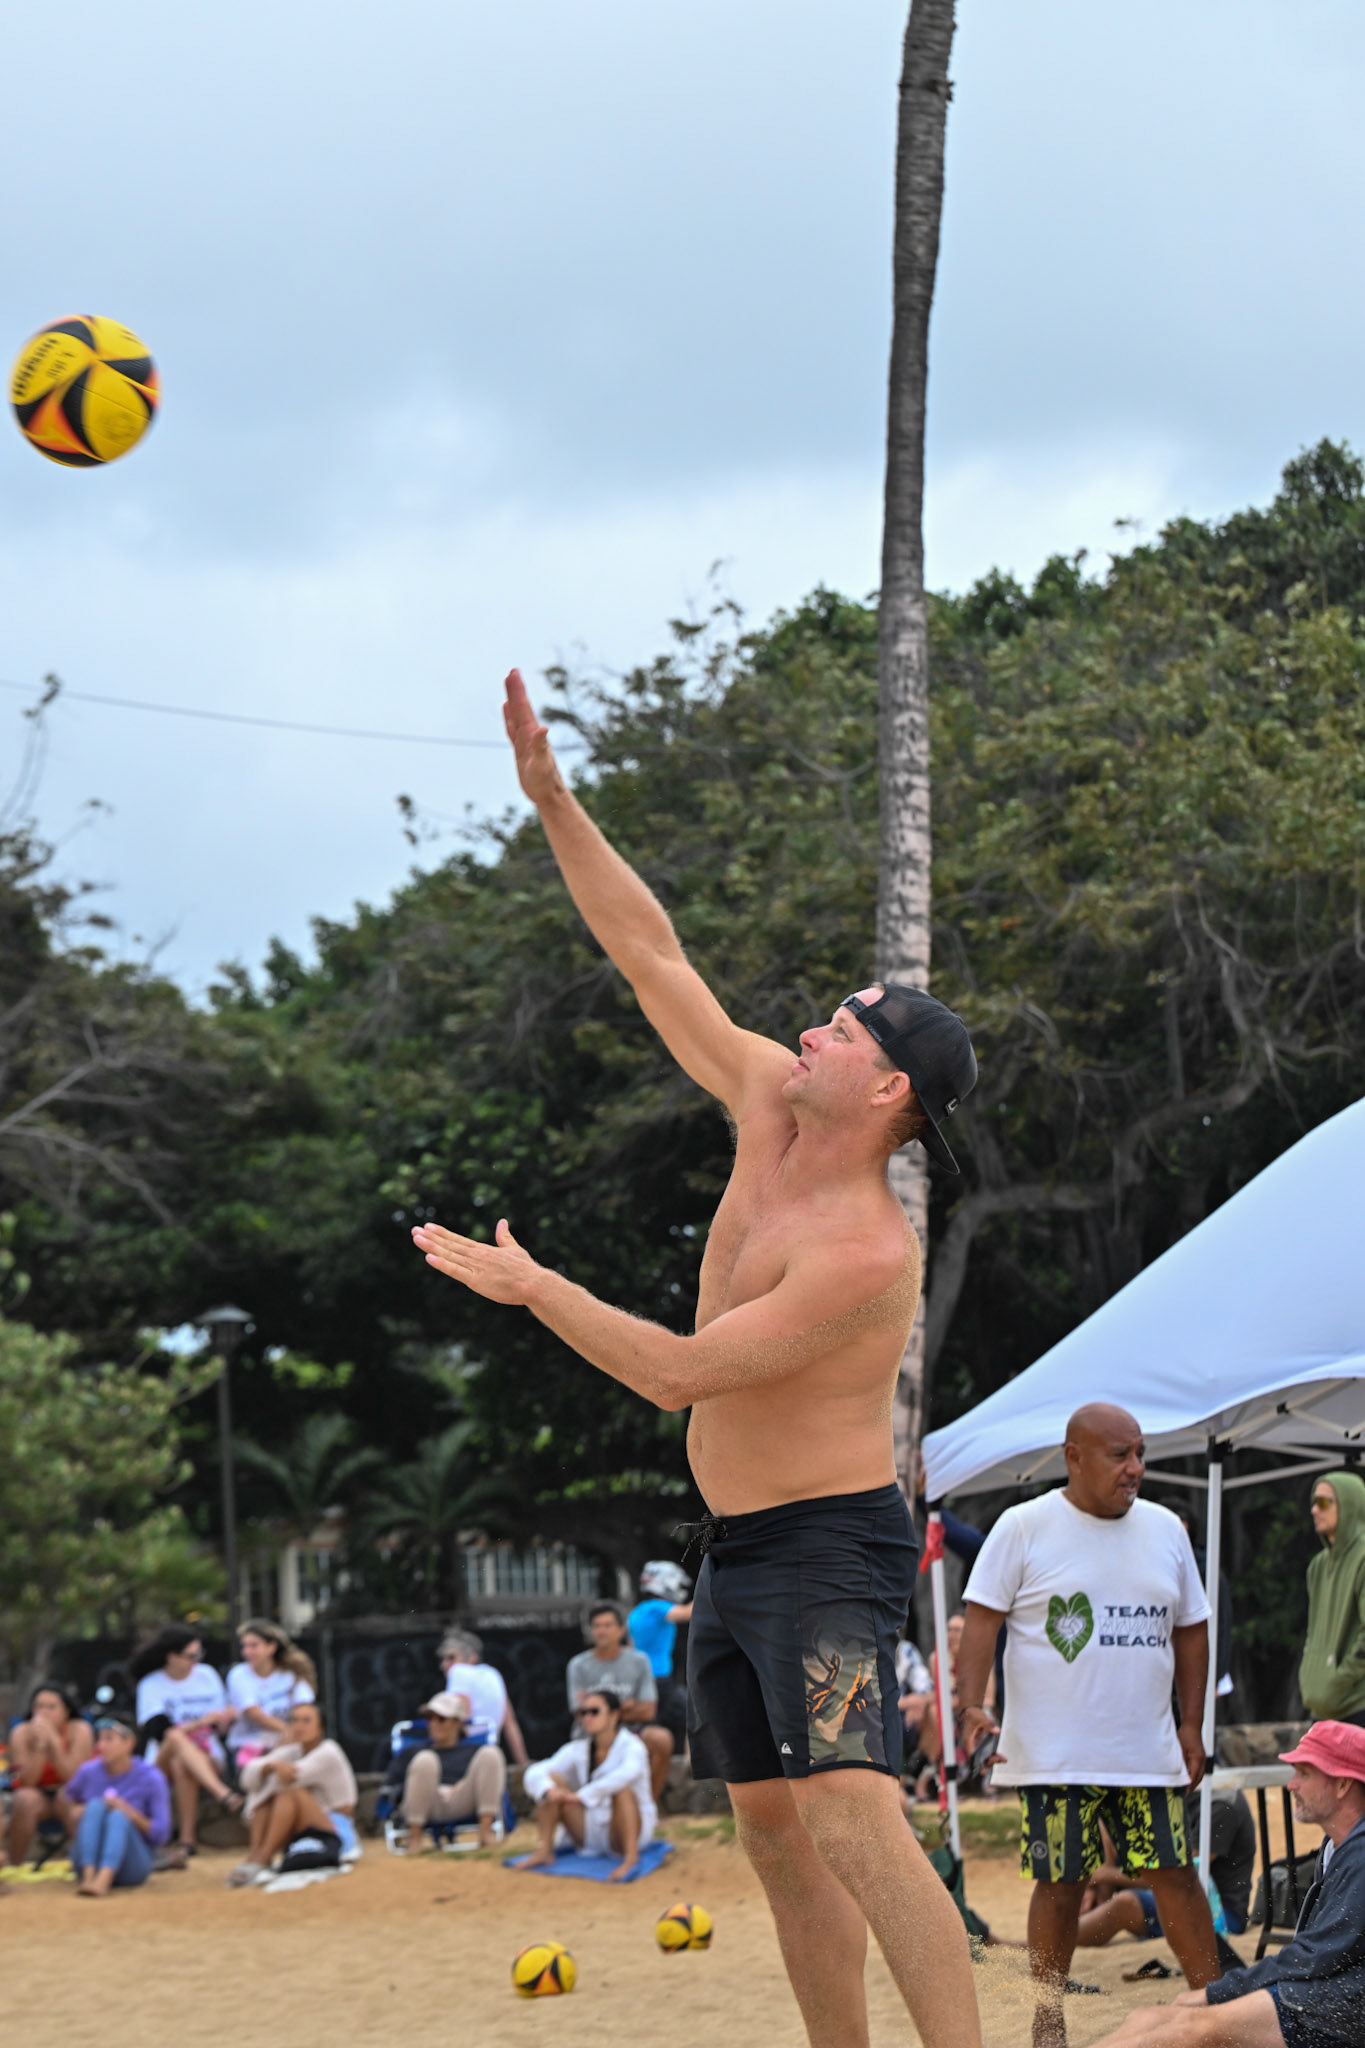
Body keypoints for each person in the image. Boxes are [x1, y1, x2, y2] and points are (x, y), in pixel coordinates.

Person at [410, 668, 984, 2048]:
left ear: (889, 1086)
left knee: (852, 1808)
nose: (808, 1030)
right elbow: (648, 950)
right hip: (735, 1555)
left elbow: (676, 1373)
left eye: (841, 1029)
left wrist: (537, 1285)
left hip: (830, 1554)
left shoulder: (863, 1251)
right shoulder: (760, 1103)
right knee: (777, 1841)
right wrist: (555, 802)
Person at [955, 1403, 1219, 2048]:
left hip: (1147, 1746)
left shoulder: (1166, 1529)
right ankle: (1049, 2021)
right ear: (1074, 1457)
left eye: (1140, 1455)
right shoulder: (1023, 1526)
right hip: (1055, 1752)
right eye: (1119, 1455)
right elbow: (982, 1619)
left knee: (1176, 1873)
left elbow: (1192, 1629)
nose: (1135, 1469)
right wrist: (971, 1706)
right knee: (1061, 1882)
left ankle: (1214, 2003)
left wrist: (1192, 1727)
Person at [1090, 1721, 1365, 2047]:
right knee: (1149, 2017)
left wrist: (1218, 1992)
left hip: (1343, 2005)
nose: (1291, 1785)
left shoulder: (1360, 1854)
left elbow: (1315, 1957)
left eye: (1304, 1773)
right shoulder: (1336, 1846)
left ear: (1344, 1784)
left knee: (1189, 2027)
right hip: (1325, 1991)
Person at [1077, 1791, 1256, 1949]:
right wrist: (1094, 1885)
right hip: (1176, 1895)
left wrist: (1104, 1876)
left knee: (1126, 1903)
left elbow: (1180, 1876)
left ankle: (1066, 1936)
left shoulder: (1220, 1806)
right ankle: (1093, 1907)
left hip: (1220, 1916)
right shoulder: (1175, 1795)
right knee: (1102, 1826)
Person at [523, 1688, 656, 1882]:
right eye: (582, 1712)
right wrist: (549, 1790)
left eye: (594, 1711)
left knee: (623, 1791)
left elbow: (624, 1775)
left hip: (627, 1831)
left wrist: (581, 1796)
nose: (587, 1717)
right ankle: (544, 1850)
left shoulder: (633, 1747)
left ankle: (630, 1858)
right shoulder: (578, 1748)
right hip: (590, 1833)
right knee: (550, 1780)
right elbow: (535, 1772)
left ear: (614, 1715)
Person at [130, 1623, 240, 1851]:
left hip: (205, 1755)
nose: (196, 1661)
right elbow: (159, 1732)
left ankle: (187, 1841)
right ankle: (222, 1793)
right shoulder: (151, 1684)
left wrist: (226, 1718)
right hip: (161, 1757)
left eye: (199, 1654)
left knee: (182, 1764)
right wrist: (200, 1722)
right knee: (176, 1739)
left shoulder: (207, 1676)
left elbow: (220, 1728)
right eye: (191, 1656)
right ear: (172, 1656)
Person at [230, 1699, 358, 1886]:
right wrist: (270, 1766)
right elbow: (248, 1776)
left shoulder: (329, 1751)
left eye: (306, 1721)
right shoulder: (293, 1751)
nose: (299, 1726)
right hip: (306, 1829)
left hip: (336, 1831)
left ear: (320, 1727)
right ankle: (256, 1855)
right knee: (266, 1785)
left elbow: (287, 1778)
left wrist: (253, 1801)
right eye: (295, 1720)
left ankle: (262, 1857)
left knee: (288, 1793)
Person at [567, 1602, 672, 1799]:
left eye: (607, 1625)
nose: (601, 1631)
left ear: (621, 1629)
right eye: (596, 1626)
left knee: (662, 1739)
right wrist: (625, 1706)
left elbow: (649, 1710)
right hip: (590, 1734)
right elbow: (580, 1712)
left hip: (631, 1731)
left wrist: (599, 1710)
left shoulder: (639, 1661)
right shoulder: (578, 1665)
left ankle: (648, 1805)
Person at [382, 1690, 507, 1851]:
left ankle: (485, 1833)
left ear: (457, 1722)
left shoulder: (475, 1751)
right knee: (425, 1760)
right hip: (424, 1804)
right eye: (429, 1718)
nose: (434, 1723)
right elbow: (391, 1786)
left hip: (463, 1801)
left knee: (491, 1754)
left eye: (441, 1718)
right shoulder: (412, 1751)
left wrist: (459, 1786)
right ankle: (414, 1838)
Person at [64, 1716, 171, 1895]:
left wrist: (128, 1812)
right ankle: (89, 1875)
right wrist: (86, 1811)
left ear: (129, 1742)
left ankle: (104, 1878)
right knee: (96, 1806)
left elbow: (161, 1835)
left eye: (109, 1739)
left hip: (132, 1866)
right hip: (85, 1860)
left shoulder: (151, 1777)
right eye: (100, 1739)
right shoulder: (87, 1772)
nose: (101, 1746)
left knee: (118, 1816)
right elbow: (69, 1806)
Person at [4, 1681, 94, 1867]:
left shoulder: (80, 1730)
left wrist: (55, 1743)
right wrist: (40, 1747)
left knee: (67, 1795)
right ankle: (14, 1865)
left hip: (68, 1793)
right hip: (37, 1795)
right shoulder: (21, 1732)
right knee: (24, 1799)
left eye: (51, 1707)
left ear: (66, 1711)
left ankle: (86, 1865)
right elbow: (27, 1781)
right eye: (38, 1706)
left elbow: (75, 1779)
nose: (43, 1712)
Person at [1300, 1473, 1365, 1725]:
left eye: (1325, 1502)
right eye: (1314, 1502)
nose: (1315, 1510)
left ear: (1350, 1505)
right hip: (1322, 1709)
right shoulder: (1317, 1566)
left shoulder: (1362, 1558)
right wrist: (1312, 1677)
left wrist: (1338, 1681)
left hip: (1357, 1707)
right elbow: (1312, 1633)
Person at [224, 1619, 317, 1773]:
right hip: (248, 1749)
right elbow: (254, 1714)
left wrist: (294, 1732)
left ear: (271, 1647)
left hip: (289, 1742)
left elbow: (306, 1709)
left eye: (253, 1645)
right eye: (244, 1646)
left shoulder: (290, 1674)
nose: (247, 1651)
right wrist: (287, 1729)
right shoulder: (238, 1674)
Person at [628, 1560, 693, 1753]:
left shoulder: (637, 1611)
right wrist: (710, 1586)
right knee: (697, 1716)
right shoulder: (657, 1607)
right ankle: (692, 1767)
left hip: (642, 1679)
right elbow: (687, 1613)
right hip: (660, 1679)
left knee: (650, 1726)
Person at [436, 1629, 529, 1764]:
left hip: (466, 1755)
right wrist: (524, 1763)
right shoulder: (493, 1673)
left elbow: (462, 1717)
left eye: (451, 1658)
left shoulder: (458, 1672)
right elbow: (510, 1724)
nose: (444, 1664)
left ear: (472, 1657)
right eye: (443, 1659)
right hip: (491, 1755)